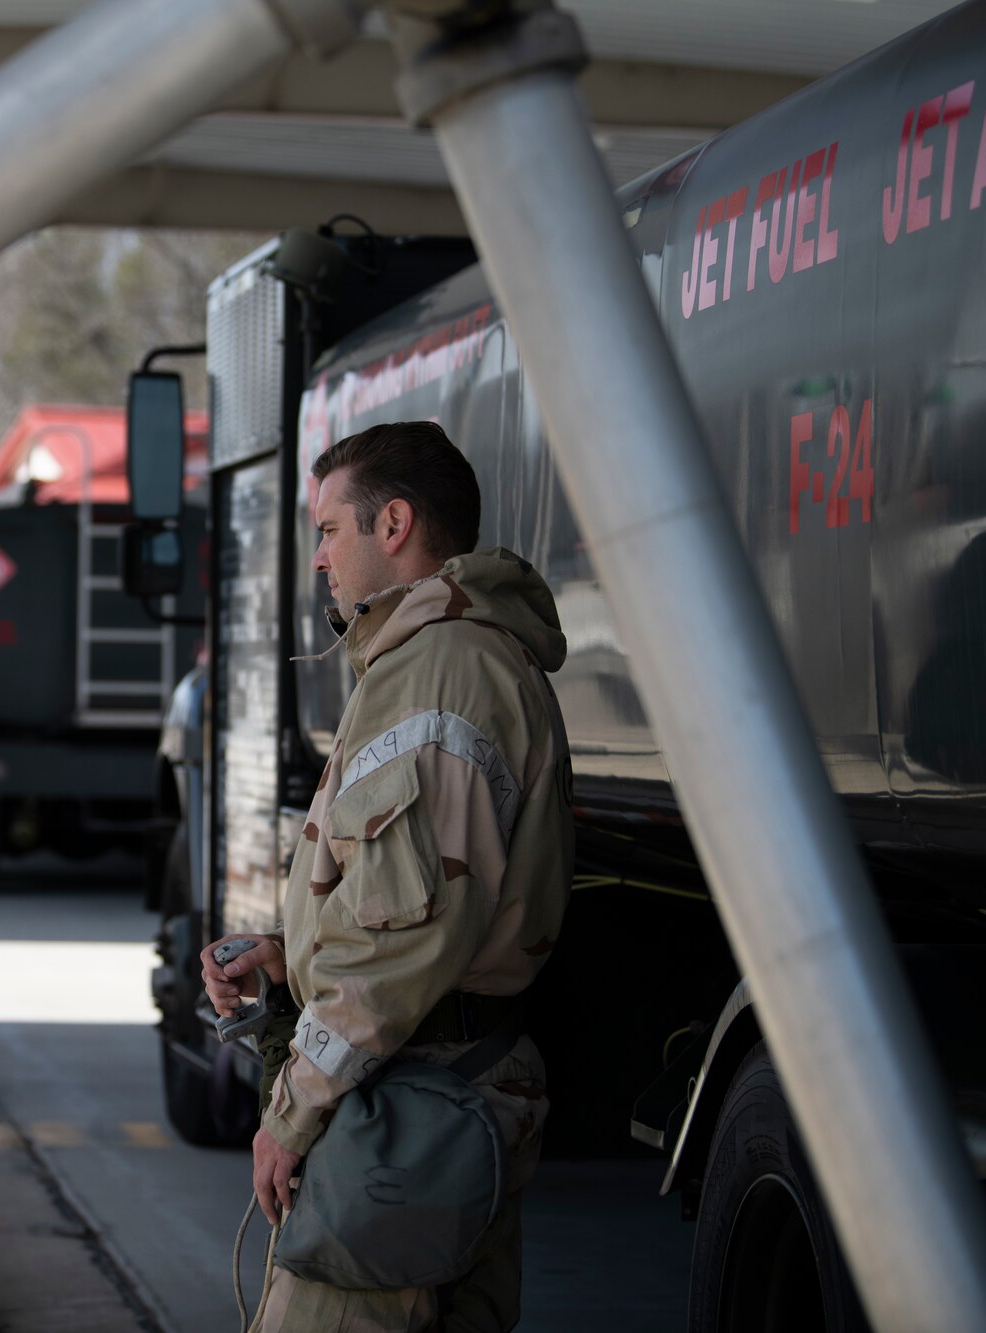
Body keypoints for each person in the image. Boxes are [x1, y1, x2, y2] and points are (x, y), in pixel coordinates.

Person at [202, 421, 573, 1332]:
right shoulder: (435, 660)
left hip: (409, 1105)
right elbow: (416, 907)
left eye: (330, 529)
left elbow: (400, 943)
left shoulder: (443, 670)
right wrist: (292, 957)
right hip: (438, 1092)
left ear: (394, 523)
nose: (320, 557)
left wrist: (288, 1116)